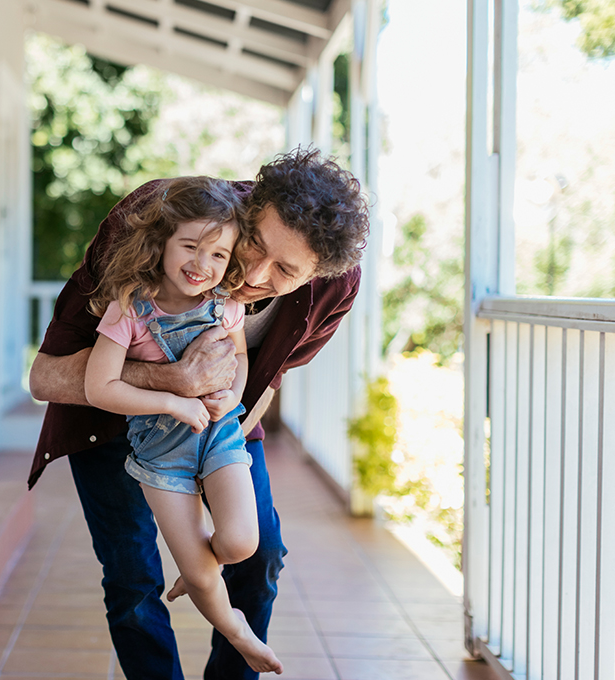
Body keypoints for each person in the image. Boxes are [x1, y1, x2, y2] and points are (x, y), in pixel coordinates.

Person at [28, 146, 370, 680]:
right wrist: (171, 382)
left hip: (217, 423)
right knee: (132, 577)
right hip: (110, 421)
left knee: (259, 558)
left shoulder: (334, 287)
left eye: (285, 269)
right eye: (254, 243)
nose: (255, 273)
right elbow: (45, 376)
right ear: (248, 208)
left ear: (316, 274)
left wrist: (218, 418)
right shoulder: (163, 218)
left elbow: (267, 377)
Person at [83, 176, 282, 674]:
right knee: (190, 569)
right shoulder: (130, 309)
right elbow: (99, 388)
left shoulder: (226, 306)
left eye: (218, 256)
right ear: (162, 242)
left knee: (241, 544)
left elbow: (238, 361)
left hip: (218, 434)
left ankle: (199, 578)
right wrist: (174, 403)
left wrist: (228, 398)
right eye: (190, 247)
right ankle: (236, 629)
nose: (202, 265)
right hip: (159, 452)